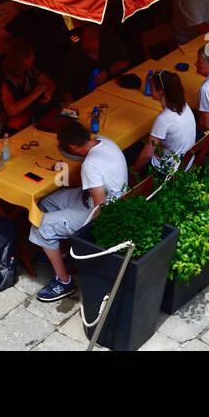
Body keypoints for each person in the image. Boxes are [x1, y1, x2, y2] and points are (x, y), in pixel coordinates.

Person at [29, 120, 129, 302]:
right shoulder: (104, 140)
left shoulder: (90, 165)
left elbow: (100, 207)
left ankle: (64, 280)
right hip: (96, 198)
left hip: (103, 212)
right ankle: (63, 254)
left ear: (73, 148)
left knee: (40, 225)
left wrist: (85, 240)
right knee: (44, 203)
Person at [133, 70, 197, 173]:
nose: (149, 88)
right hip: (185, 163)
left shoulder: (163, 119)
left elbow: (147, 155)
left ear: (160, 92)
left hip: (167, 170)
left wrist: (133, 171)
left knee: (131, 151)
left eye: (152, 86)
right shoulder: (185, 105)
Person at [59, 23, 132, 102]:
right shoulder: (74, 55)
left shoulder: (110, 39)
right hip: (91, 98)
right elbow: (66, 91)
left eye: (94, 39)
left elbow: (126, 61)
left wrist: (107, 72)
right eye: (86, 39)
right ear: (81, 39)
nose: (90, 43)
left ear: (101, 39)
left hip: (117, 89)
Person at [0, 38, 57, 131]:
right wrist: (36, 93)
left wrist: (48, 91)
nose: (33, 57)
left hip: (29, 115)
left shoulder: (30, 71)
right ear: (22, 58)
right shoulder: (6, 81)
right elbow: (11, 110)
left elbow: (51, 84)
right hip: (7, 123)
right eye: (30, 55)